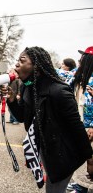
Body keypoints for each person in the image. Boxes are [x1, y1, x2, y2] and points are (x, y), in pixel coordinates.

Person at [0, 46, 92, 193]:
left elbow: (77, 127)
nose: (17, 64)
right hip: (47, 149)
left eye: (22, 61)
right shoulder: (27, 88)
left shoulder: (59, 91)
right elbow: (23, 117)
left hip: (64, 153)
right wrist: (11, 100)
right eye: (17, 61)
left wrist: (90, 160)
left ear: (37, 66)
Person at [64, 46, 93, 193]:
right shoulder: (78, 75)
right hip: (77, 122)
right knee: (77, 155)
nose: (80, 60)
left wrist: (92, 125)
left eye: (83, 57)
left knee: (90, 161)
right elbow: (61, 75)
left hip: (90, 126)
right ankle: (80, 185)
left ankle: (82, 187)